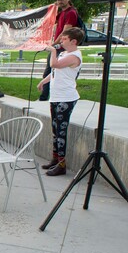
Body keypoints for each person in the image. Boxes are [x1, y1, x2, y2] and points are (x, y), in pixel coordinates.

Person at [37, 27, 83, 176]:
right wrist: (44, 81)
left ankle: (62, 164)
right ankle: (55, 158)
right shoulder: (64, 53)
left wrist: (52, 51)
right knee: (55, 129)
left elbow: (54, 65)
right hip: (56, 96)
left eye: (64, 38)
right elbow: (55, 71)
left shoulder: (74, 56)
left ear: (73, 41)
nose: (61, 40)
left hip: (66, 97)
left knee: (61, 131)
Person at [39, 0, 78, 101]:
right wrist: (53, 8)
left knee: (51, 71)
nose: (60, 2)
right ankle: (46, 95)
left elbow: (65, 31)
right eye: (58, 0)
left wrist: (54, 44)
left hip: (61, 48)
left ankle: (44, 97)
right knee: (51, 71)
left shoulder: (71, 13)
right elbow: (52, 21)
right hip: (58, 47)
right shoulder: (62, 12)